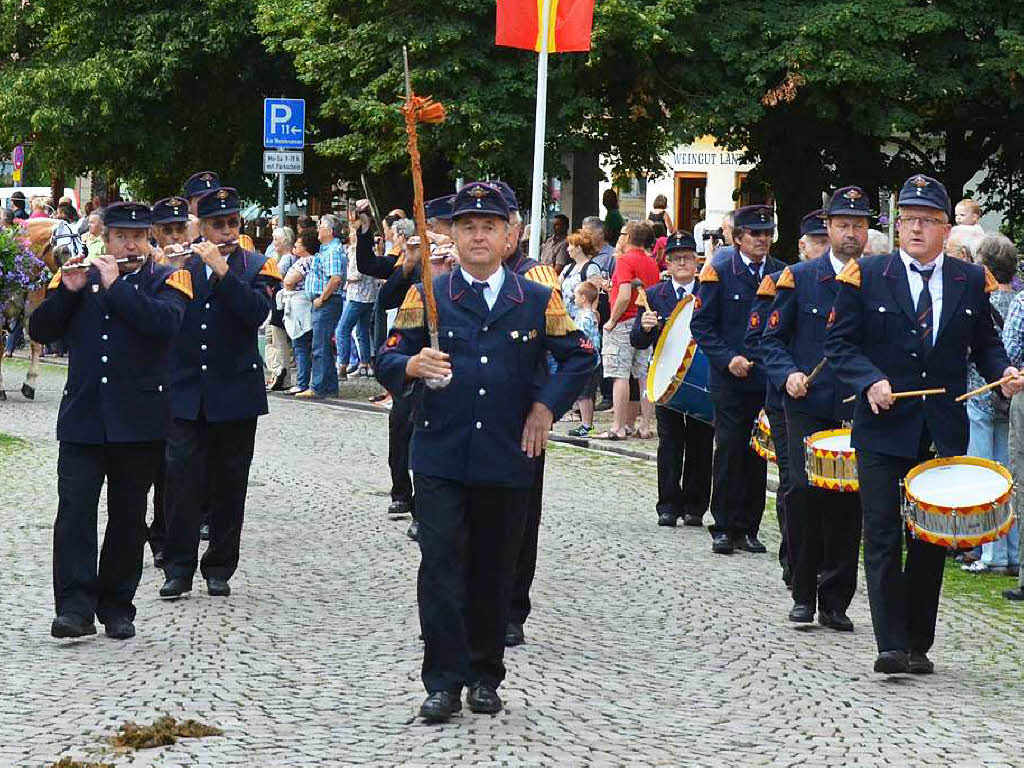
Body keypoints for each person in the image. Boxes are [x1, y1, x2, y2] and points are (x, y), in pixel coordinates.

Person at [375, 181, 595, 723]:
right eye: (468, 226)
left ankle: (484, 674)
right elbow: (387, 354)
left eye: (489, 227)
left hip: (506, 453)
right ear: (452, 234)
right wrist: (409, 367)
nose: (478, 236)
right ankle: (443, 682)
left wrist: (546, 408)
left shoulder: (539, 299)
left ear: (510, 236)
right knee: (442, 567)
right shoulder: (427, 293)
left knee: (495, 569)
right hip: (440, 454)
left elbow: (580, 358)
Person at [825, 173, 1022, 674]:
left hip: (941, 427)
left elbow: (986, 345)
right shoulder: (866, 275)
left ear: (944, 229)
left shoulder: (969, 280)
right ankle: (890, 644)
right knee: (885, 533)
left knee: (930, 540)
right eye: (908, 219)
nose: (915, 228)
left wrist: (1003, 375)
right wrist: (869, 380)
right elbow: (840, 346)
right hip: (881, 424)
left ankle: (918, 642)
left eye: (927, 220)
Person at [29, 202, 190, 639]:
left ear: (150, 239)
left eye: (138, 236)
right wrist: (67, 291)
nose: (130, 244)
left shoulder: (168, 278)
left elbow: (166, 324)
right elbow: (41, 330)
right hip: (83, 417)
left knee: (128, 515)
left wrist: (118, 287)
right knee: (75, 510)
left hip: (139, 420)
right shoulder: (82, 277)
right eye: (121, 236)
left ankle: (117, 605)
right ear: (106, 238)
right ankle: (75, 608)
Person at [159, 188, 282, 600]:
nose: (226, 231)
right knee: (180, 481)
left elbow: (257, 313)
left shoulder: (256, 265)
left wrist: (224, 273)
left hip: (235, 391)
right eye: (218, 225)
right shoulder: (181, 265)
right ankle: (177, 567)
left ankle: (219, 566)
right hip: (186, 390)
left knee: (231, 482)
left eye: (232, 223)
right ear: (203, 227)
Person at [761, 188, 871, 630]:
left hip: (853, 405)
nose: (851, 234)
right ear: (828, 228)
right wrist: (786, 373)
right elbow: (771, 340)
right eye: (843, 225)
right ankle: (803, 591)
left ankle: (836, 599)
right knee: (803, 496)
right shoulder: (798, 277)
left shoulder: (877, 278)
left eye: (859, 225)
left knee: (848, 502)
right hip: (806, 403)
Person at [691, 204, 784, 555]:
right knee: (730, 448)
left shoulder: (780, 273)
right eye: (755, 234)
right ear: (738, 237)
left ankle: (749, 526)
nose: (762, 240)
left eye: (767, 234)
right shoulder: (719, 271)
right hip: (729, 377)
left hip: (765, 377)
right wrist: (728, 359)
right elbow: (701, 324)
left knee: (758, 451)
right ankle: (725, 525)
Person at [630, 232, 713, 527]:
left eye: (688, 258)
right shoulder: (654, 296)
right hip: (665, 380)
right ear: (667, 262)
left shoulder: (709, 291)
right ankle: (667, 504)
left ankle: (695, 506)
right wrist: (645, 326)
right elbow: (638, 341)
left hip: (703, 379)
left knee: (702, 444)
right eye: (676, 258)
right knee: (670, 443)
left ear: (696, 260)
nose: (682, 263)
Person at [961, 234, 1020, 575]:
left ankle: (992, 552)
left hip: (982, 395)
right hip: (1008, 398)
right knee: (1008, 476)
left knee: (984, 475)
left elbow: (979, 349)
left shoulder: (983, 299)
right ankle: (1010, 551)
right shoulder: (1018, 299)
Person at [597, 220, 661, 440]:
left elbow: (624, 295)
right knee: (643, 375)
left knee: (620, 375)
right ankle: (644, 426)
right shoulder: (652, 262)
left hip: (624, 321)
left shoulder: (625, 260)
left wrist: (611, 320)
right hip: (644, 321)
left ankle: (618, 426)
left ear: (628, 237)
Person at [296, 214, 346, 399]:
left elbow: (335, 279)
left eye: (321, 226)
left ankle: (317, 387)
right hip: (324, 301)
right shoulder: (327, 249)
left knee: (319, 346)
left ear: (330, 231)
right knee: (322, 345)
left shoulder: (332, 251)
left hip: (326, 302)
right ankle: (329, 387)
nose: (318, 229)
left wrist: (322, 299)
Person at [337, 220, 379, 380]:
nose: (349, 235)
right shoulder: (368, 250)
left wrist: (343, 278)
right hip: (368, 295)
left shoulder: (356, 251)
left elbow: (357, 274)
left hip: (357, 295)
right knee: (362, 331)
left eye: (351, 233)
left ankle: (342, 365)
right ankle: (365, 364)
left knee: (342, 329)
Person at [282, 229, 319, 394]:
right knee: (304, 344)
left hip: (299, 304)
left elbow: (289, 281)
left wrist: (286, 282)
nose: (295, 246)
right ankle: (305, 381)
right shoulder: (313, 260)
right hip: (304, 303)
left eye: (298, 244)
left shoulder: (305, 261)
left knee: (300, 343)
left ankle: (302, 382)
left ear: (305, 247)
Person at [568, 280, 603, 436]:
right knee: (586, 393)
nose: (573, 298)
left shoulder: (585, 317)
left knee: (584, 394)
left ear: (583, 298)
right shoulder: (590, 315)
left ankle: (586, 425)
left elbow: (582, 338)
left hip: (587, 360)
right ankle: (587, 423)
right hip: (591, 359)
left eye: (576, 295)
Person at [266, 227, 297, 391]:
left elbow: (274, 279)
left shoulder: (286, 259)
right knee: (272, 339)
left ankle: (281, 374)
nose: (273, 242)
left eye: (276, 239)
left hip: (280, 305)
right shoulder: (283, 258)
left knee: (278, 341)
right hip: (278, 303)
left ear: (284, 241)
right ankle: (277, 373)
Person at [558, 229, 601, 318]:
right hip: (566, 320)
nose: (567, 249)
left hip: (581, 320)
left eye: (570, 245)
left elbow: (594, 298)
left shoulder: (591, 269)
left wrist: (590, 319)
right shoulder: (568, 268)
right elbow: (556, 286)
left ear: (578, 248)